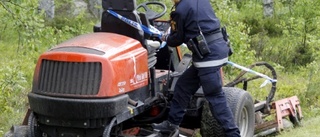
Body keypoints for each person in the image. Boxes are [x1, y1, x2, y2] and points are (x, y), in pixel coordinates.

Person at [151, 0, 241, 136]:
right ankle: (171, 124)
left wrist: (166, 38)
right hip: (217, 49)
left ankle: (233, 134)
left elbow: (177, 39)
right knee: (183, 86)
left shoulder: (180, 10)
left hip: (208, 58)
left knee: (215, 98)